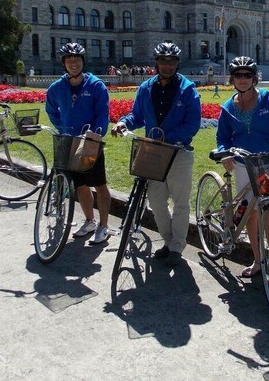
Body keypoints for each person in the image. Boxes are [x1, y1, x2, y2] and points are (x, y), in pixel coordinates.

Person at [111, 41, 201, 267]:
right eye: (163, 61)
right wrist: (123, 123)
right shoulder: (146, 88)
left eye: (171, 62)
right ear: (157, 63)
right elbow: (137, 116)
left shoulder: (188, 90)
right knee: (156, 201)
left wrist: (168, 137)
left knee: (181, 202)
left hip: (178, 152)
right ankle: (168, 240)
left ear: (177, 63)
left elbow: (192, 124)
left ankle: (177, 246)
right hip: (152, 152)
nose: (167, 66)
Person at [216, 56, 269, 278]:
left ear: (254, 78)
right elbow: (223, 136)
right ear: (232, 79)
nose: (242, 79)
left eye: (246, 75)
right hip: (243, 164)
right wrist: (225, 151)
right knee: (249, 215)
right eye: (238, 75)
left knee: (267, 214)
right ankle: (258, 260)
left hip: (267, 163)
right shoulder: (227, 107)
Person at [45, 43, 113, 245]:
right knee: (80, 185)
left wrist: (96, 133)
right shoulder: (57, 87)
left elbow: (103, 114)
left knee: (99, 184)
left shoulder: (95, 86)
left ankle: (104, 225)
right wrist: (62, 127)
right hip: (69, 142)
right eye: (69, 61)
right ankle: (90, 221)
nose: (73, 64)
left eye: (77, 60)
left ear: (83, 62)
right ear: (64, 64)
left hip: (90, 142)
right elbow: (51, 110)